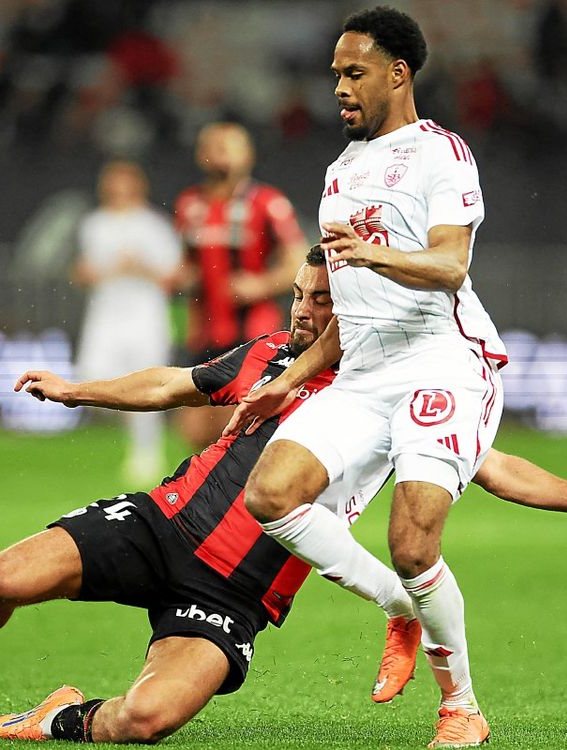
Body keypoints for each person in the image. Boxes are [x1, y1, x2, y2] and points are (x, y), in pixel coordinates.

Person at [0, 250, 567, 744]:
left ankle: (54, 719)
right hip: (160, 526)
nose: (303, 311)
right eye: (299, 296)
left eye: (321, 303)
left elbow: (492, 465)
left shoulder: (392, 395)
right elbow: (176, 383)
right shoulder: (263, 358)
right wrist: (81, 392)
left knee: (146, 722)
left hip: (234, 597)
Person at [228, 8, 512, 747]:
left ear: (398, 73)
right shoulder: (339, 172)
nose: (340, 90)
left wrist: (374, 253)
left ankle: (462, 708)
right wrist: (290, 380)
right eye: (335, 77)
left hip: (443, 361)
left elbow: (452, 265)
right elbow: (347, 313)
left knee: (414, 542)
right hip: (365, 369)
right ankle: (397, 607)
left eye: (354, 74)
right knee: (270, 493)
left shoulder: (440, 154)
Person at [174, 122, 308, 448]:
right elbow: (186, 263)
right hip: (202, 330)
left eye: (229, 147)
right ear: (200, 154)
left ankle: (242, 493)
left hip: (251, 330)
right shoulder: (189, 205)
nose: (221, 155)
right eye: (214, 147)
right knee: (194, 431)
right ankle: (213, 493)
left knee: (236, 427)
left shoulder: (266, 202)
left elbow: (299, 261)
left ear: (247, 155)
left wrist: (260, 284)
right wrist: (183, 277)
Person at [73, 160, 182, 484]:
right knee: (89, 377)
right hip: (105, 313)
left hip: (145, 313)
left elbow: (174, 274)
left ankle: (146, 453)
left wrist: (140, 266)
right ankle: (129, 417)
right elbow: (82, 270)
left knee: (148, 381)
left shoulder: (153, 224)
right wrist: (92, 272)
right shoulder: (94, 224)